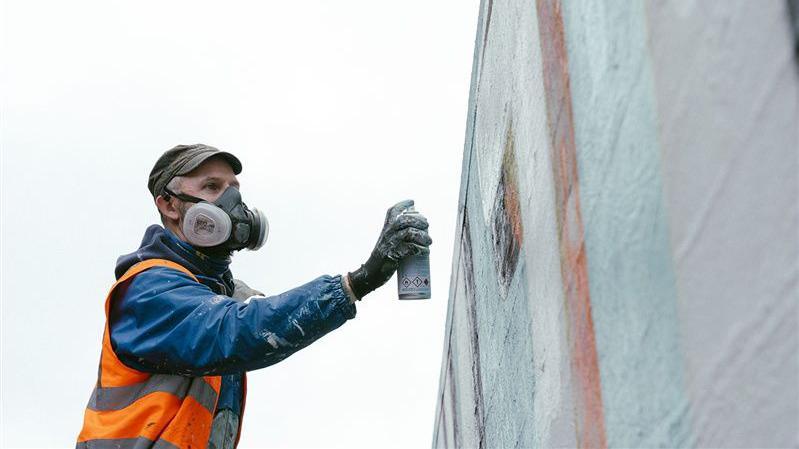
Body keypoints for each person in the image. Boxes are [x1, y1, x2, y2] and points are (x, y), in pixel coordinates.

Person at [76, 144, 432, 449]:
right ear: (170, 206)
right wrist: (358, 281)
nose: (233, 201)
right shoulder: (147, 291)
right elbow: (236, 330)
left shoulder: (216, 292)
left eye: (234, 188)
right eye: (212, 187)